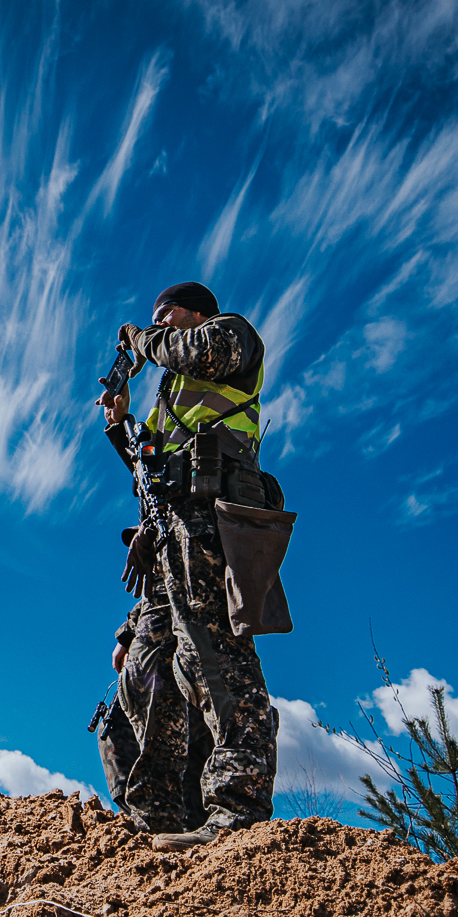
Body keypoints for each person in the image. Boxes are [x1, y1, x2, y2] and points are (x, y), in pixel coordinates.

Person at [94, 280, 280, 851]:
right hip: (173, 525)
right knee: (160, 665)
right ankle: (163, 811)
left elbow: (196, 351)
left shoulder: (229, 336)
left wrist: (143, 338)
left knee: (215, 649)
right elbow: (146, 464)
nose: (155, 324)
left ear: (195, 312)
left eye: (165, 315)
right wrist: (119, 421)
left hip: (213, 516)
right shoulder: (171, 394)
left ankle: (240, 802)